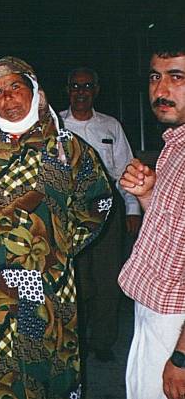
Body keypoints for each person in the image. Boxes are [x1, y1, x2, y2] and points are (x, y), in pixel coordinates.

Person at [0, 56, 112, 399]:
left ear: (34, 91)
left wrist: (59, 245)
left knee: (41, 366)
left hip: (44, 288)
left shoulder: (66, 148)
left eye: (15, 88)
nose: (7, 98)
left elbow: (98, 201)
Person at [118, 30, 185, 399]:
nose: (161, 89)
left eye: (176, 77)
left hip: (175, 323)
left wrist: (182, 356)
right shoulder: (174, 145)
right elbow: (172, 229)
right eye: (155, 76)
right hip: (153, 307)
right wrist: (148, 195)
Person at [59, 67, 142, 362]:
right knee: (74, 280)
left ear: (96, 90)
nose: (80, 92)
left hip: (108, 211)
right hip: (69, 213)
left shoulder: (111, 126)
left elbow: (126, 171)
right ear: (67, 89)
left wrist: (132, 209)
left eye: (87, 86)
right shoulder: (55, 125)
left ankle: (104, 341)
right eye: (75, 86)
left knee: (108, 278)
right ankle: (74, 341)